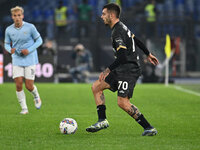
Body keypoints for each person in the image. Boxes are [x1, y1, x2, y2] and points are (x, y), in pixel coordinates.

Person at [86, 3, 159, 136]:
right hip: (121, 68)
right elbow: (135, 39)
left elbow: (123, 56)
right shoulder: (121, 26)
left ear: (111, 15)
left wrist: (107, 70)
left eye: (103, 14)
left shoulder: (117, 31)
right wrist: (147, 53)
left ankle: (149, 127)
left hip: (129, 70)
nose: (101, 16)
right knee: (96, 87)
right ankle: (102, 120)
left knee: (123, 103)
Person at [4, 6, 43, 114]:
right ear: (12, 17)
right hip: (17, 59)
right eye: (15, 16)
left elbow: (39, 40)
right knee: (18, 84)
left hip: (30, 59)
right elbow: (7, 44)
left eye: (19, 15)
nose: (17, 18)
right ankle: (24, 108)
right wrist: (9, 49)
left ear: (22, 16)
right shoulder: (9, 30)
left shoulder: (30, 27)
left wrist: (29, 50)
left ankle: (36, 96)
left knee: (29, 86)